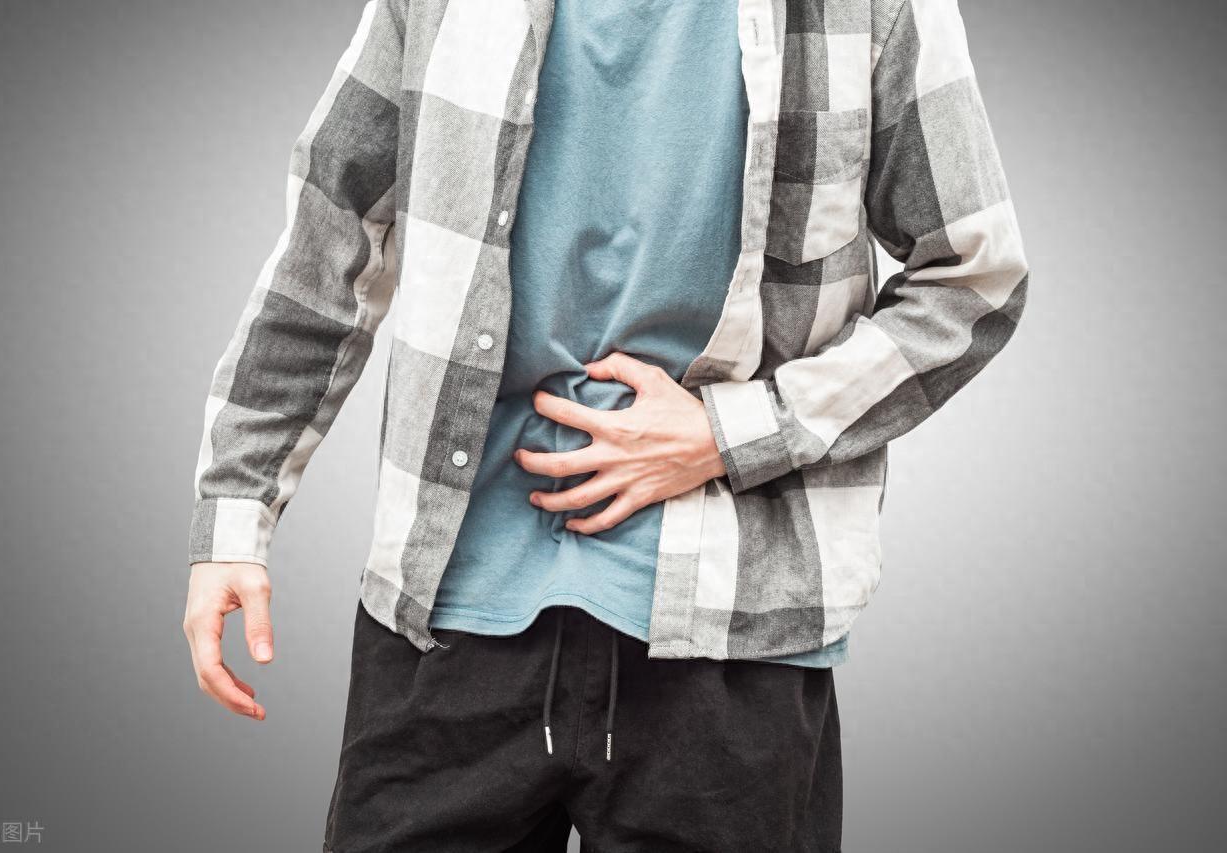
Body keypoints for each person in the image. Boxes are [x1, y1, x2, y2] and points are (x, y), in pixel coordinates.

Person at [182, 0, 1028, 849]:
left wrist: (730, 434)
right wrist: (236, 509)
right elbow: (332, 229)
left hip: (729, 631)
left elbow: (973, 278)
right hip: (447, 613)